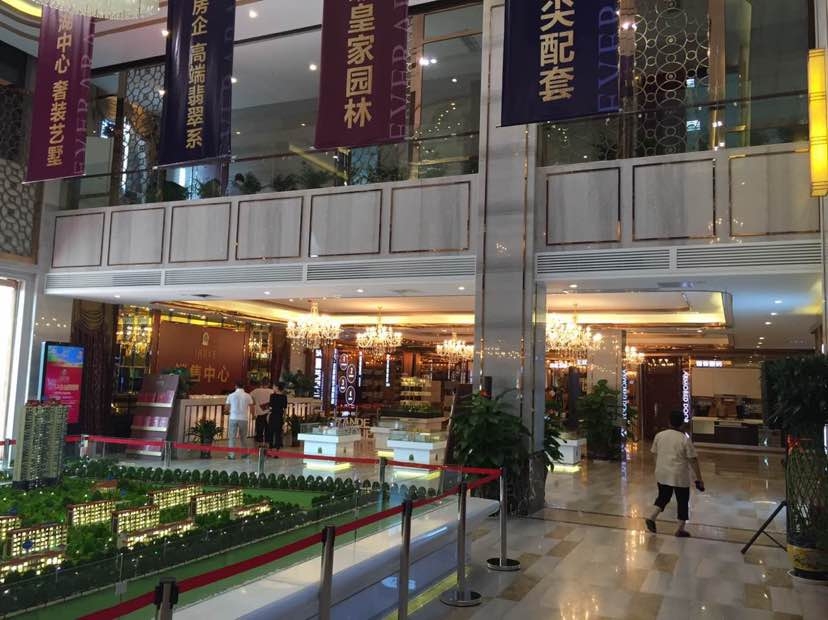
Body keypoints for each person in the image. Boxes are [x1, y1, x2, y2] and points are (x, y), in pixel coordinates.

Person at [645, 410, 705, 537]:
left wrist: (659, 467)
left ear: (669, 422)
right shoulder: (684, 439)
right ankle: (680, 529)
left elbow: (654, 454)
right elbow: (693, 460)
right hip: (679, 475)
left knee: (663, 497)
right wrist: (699, 479)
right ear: (682, 423)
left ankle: (651, 517)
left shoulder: (659, 435)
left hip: (662, 473)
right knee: (682, 501)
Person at [224, 380, 253, 458]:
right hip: (243, 419)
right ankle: (244, 454)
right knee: (243, 437)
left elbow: (226, 407)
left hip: (233, 417)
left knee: (232, 437)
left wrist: (227, 412)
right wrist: (253, 415)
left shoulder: (231, 395)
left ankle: (231, 455)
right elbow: (252, 407)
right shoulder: (248, 396)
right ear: (243, 386)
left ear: (235, 386)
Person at [249, 381, 273, 447]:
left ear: (261, 384)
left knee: (259, 429)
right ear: (268, 384)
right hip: (269, 413)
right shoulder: (271, 391)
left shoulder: (255, 391)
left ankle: (260, 443)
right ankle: (267, 443)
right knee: (268, 429)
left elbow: (251, 399)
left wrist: (253, 413)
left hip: (259, 413)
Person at [268, 382, 288, 450]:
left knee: (271, 431)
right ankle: (277, 448)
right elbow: (284, 409)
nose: (273, 388)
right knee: (278, 432)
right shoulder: (284, 397)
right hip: (280, 415)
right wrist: (284, 418)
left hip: (273, 415)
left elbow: (270, 407)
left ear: (277, 387)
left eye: (273, 386)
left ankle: (270, 447)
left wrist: (268, 415)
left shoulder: (272, 396)